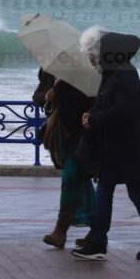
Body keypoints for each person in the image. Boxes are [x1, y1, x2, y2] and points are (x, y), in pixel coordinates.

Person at [71, 27, 140, 261]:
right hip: (114, 147)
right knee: (106, 192)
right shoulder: (113, 73)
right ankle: (100, 242)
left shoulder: (126, 74)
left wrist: (95, 118)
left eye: (91, 55)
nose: (90, 61)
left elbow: (124, 111)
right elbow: (104, 104)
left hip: (129, 148)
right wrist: (90, 114)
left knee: (136, 194)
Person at [32, 68, 96, 249]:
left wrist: (62, 88)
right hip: (61, 135)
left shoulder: (87, 73)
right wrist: (47, 96)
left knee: (71, 177)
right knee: (80, 179)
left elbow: (93, 101)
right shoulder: (48, 72)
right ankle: (97, 230)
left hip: (83, 135)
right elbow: (37, 97)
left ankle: (60, 231)